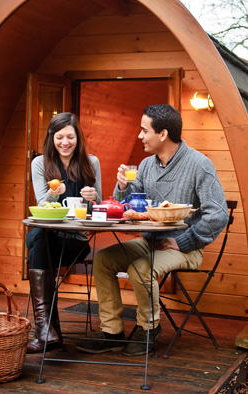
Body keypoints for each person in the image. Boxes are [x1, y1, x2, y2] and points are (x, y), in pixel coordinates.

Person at [76, 104, 229, 356]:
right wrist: (124, 186)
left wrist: (186, 241)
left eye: (143, 130)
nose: (140, 136)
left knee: (141, 269)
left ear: (162, 134)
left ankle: (149, 329)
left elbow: (218, 214)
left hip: (185, 248)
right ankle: (112, 332)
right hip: (150, 242)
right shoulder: (147, 165)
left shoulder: (199, 165)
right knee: (103, 259)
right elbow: (125, 205)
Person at [26, 112, 102, 353]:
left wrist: (93, 198)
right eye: (59, 137)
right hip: (50, 234)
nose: (65, 142)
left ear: (77, 138)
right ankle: (46, 330)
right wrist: (53, 193)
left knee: (35, 242)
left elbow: (97, 208)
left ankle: (45, 331)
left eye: (70, 136)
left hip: (76, 241)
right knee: (41, 237)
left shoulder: (92, 163)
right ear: (52, 138)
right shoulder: (40, 163)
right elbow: (41, 205)